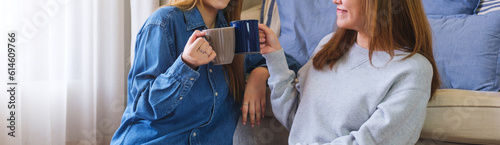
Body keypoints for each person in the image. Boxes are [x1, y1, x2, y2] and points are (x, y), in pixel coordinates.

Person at [111, 0, 300, 144]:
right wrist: (185, 65)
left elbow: (291, 63)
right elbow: (142, 106)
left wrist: (260, 73)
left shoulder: (232, 32)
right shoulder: (164, 22)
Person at [258, 0, 441, 144]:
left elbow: (374, 141)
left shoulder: (413, 70)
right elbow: (297, 120)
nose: (335, 0)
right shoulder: (328, 46)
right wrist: (274, 57)